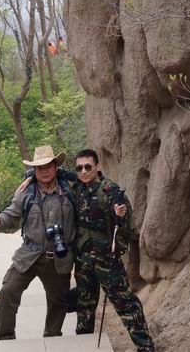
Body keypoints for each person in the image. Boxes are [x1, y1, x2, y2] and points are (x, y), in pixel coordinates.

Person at [22, 148, 155, 352]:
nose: (83, 171)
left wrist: (117, 217)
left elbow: (127, 227)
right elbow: (51, 172)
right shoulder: (76, 186)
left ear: (97, 167)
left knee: (125, 304)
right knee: (85, 306)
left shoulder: (111, 191)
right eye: (79, 168)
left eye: (88, 167)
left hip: (107, 261)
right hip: (83, 260)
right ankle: (84, 345)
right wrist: (30, 177)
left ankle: (145, 346)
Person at [0, 145, 76, 340]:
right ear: (34, 171)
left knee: (57, 302)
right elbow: (11, 215)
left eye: (48, 166)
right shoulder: (26, 192)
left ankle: (52, 337)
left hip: (59, 257)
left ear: (56, 167)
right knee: (8, 291)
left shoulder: (70, 190)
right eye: (39, 168)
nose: (44, 171)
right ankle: (5, 337)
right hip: (29, 254)